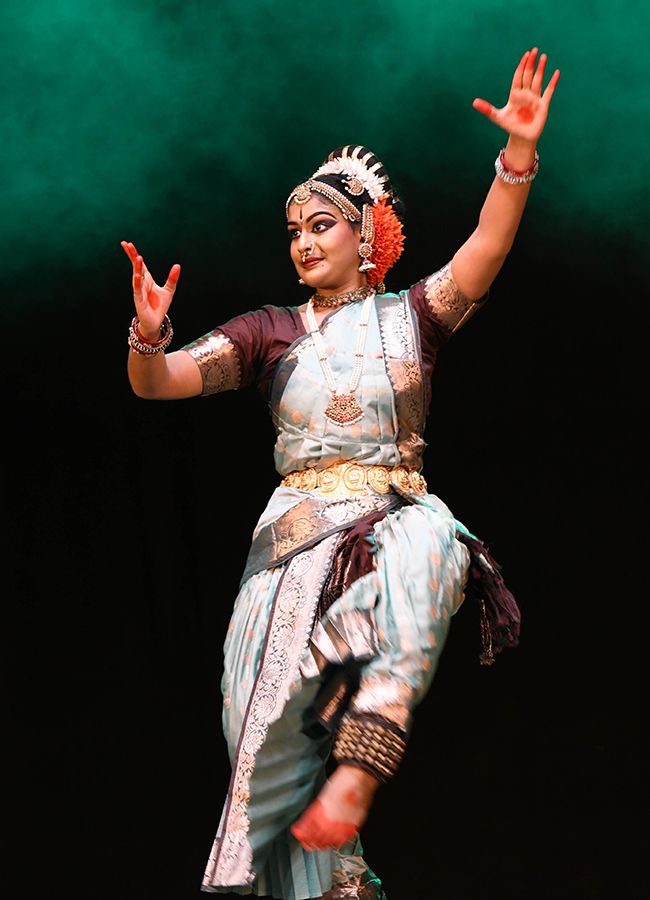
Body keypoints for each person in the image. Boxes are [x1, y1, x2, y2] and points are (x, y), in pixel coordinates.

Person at [124, 48, 559, 900]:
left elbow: (488, 246)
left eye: (320, 225)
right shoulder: (270, 332)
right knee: (262, 746)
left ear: (367, 235)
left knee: (432, 543)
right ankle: (332, 876)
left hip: (382, 529)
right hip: (289, 550)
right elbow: (162, 384)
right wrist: (148, 339)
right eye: (294, 232)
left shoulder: (414, 319)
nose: (302, 243)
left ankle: (368, 753)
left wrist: (516, 161)